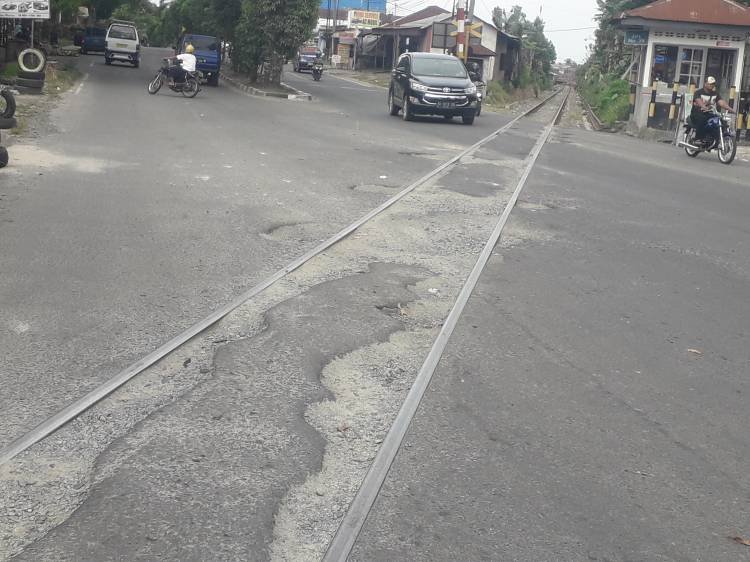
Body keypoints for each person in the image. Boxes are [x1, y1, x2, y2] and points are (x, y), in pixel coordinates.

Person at [691, 76, 734, 146]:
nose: (711, 85)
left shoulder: (715, 94)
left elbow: (721, 102)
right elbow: (698, 101)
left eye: (713, 84)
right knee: (702, 119)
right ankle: (697, 139)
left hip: (709, 113)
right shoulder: (698, 92)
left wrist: (730, 109)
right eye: (710, 83)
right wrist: (704, 107)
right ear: (705, 84)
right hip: (697, 113)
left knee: (720, 120)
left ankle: (716, 138)